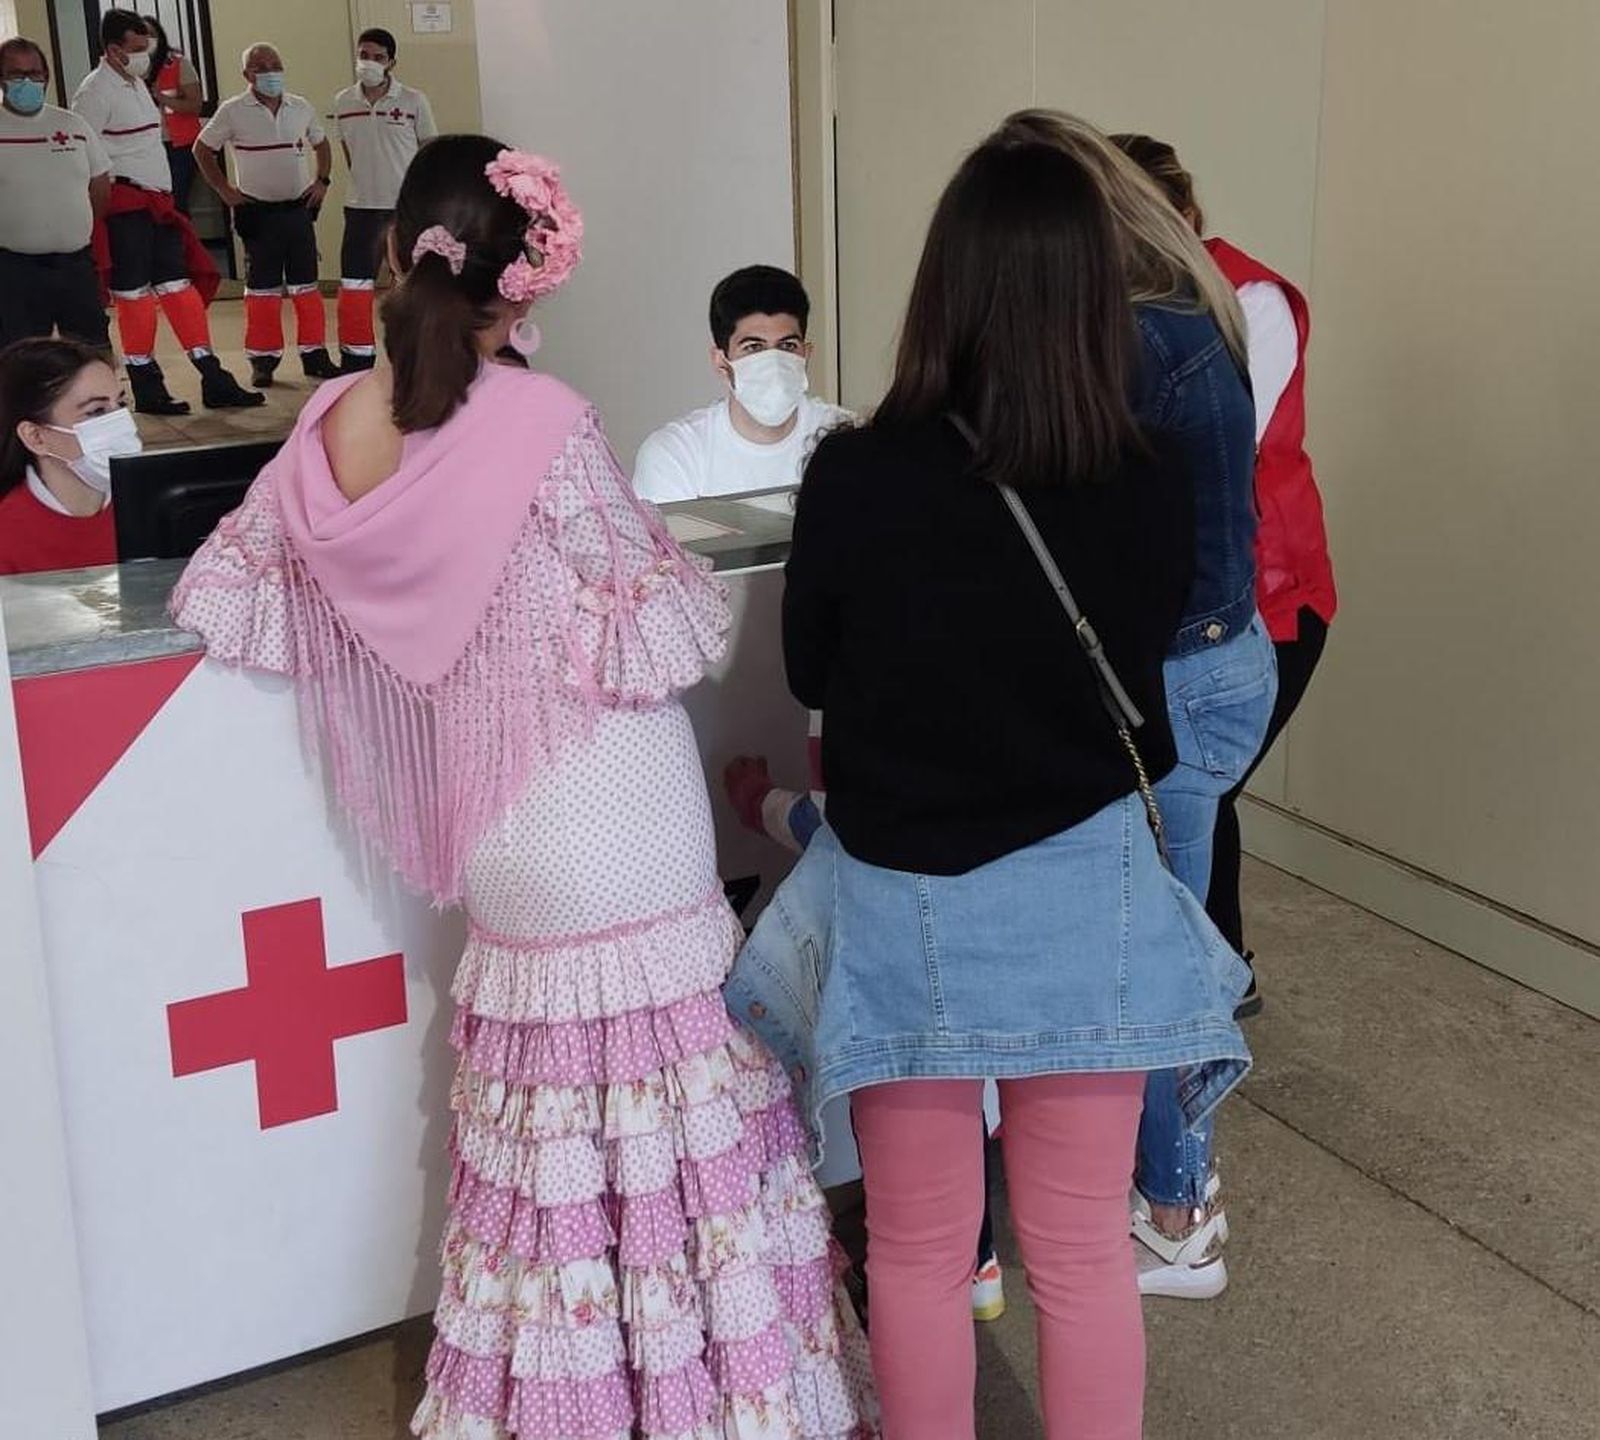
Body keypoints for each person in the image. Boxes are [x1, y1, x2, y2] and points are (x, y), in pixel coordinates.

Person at [171, 134, 877, 1440]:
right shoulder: (549, 429)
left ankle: (565, 1403)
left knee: (548, 1137)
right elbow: (663, 621)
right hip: (622, 819)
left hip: (498, 836)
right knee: (679, 1129)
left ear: (390, 260)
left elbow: (223, 594)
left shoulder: (328, 428)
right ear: (528, 289)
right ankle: (709, 1401)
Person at [780, 118, 1250, 1438]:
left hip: (906, 908)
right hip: (1084, 898)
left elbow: (814, 662)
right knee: (1086, 1251)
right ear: (1095, 294)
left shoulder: (856, 475)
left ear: (946, 289)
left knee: (924, 1256)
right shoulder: (1146, 482)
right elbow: (1140, 670)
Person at [1006, 111, 1278, 1304]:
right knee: (1167, 936)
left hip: (1172, 679)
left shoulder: (1134, 338)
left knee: (1154, 960)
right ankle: (1169, 1187)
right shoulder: (1188, 308)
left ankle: (1174, 1217)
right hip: (1220, 662)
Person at [1114, 131, 1337, 1000]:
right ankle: (1217, 977)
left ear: (1180, 218)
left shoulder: (1247, 303)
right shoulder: (1121, 307)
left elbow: (1208, 454)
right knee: (1191, 791)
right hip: (1170, 600)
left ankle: (1205, 989)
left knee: (1200, 783)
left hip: (1270, 600)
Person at [72, 9, 259, 415]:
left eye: (147, 48)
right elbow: (84, 158)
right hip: (125, 209)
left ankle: (213, 377)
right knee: (134, 297)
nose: (145, 56)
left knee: (179, 290)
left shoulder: (138, 84)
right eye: (137, 49)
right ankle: (148, 388)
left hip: (158, 205)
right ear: (113, 50)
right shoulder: (94, 92)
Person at [632, 265, 850, 504]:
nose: (773, 362)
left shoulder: (848, 439)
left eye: (787, 346)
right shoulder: (675, 455)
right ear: (721, 362)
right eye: (753, 347)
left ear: (806, 354)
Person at [194, 43, 339, 388]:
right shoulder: (232, 111)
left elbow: (321, 143)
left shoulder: (300, 106)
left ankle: (314, 354)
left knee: (306, 287)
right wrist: (225, 191)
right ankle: (263, 360)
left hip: (297, 212)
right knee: (262, 291)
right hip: (257, 215)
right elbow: (202, 149)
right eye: (261, 67)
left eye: (276, 64)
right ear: (247, 75)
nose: (271, 72)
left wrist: (322, 180)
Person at [331, 26, 437, 372]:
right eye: (364, 55)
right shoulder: (343, 101)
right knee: (355, 285)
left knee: (409, 283)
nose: (370, 63)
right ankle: (356, 359)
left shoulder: (413, 100)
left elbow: (427, 151)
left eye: (378, 57)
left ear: (391, 62)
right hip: (361, 207)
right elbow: (349, 153)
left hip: (403, 209)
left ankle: (412, 353)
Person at [0, 37, 113, 353]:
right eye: (15, 74)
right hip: (14, 271)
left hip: (75, 266)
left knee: (92, 354)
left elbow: (100, 185)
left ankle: (104, 405)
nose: (27, 82)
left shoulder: (72, 125)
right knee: (18, 359)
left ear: (46, 76)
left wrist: (73, 228)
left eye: (34, 73)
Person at [0, 337, 141, 575]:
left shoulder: (153, 504)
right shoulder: (7, 536)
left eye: (121, 403)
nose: (120, 423)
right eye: (96, 411)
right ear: (36, 437)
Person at [141, 16, 201, 214]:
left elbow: (195, 105)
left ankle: (182, 244)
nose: (146, 39)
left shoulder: (177, 64)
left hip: (179, 146)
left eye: (151, 34)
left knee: (176, 203)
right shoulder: (132, 69)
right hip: (146, 146)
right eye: (142, 34)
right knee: (151, 205)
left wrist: (160, 97)